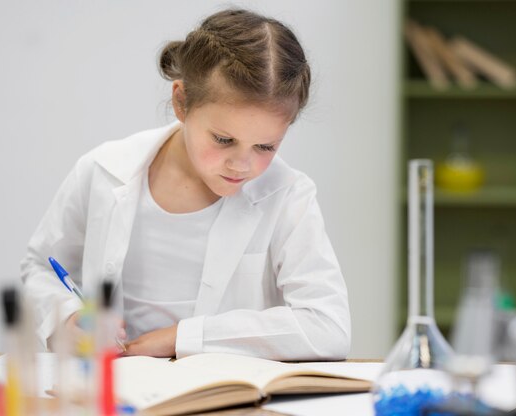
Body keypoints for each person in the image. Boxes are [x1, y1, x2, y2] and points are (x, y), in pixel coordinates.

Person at [20, 8, 350, 361]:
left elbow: (328, 327)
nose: (242, 164)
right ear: (181, 101)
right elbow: (41, 267)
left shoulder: (288, 197)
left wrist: (183, 338)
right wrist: (67, 316)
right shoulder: (102, 170)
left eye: (265, 146)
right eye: (224, 139)